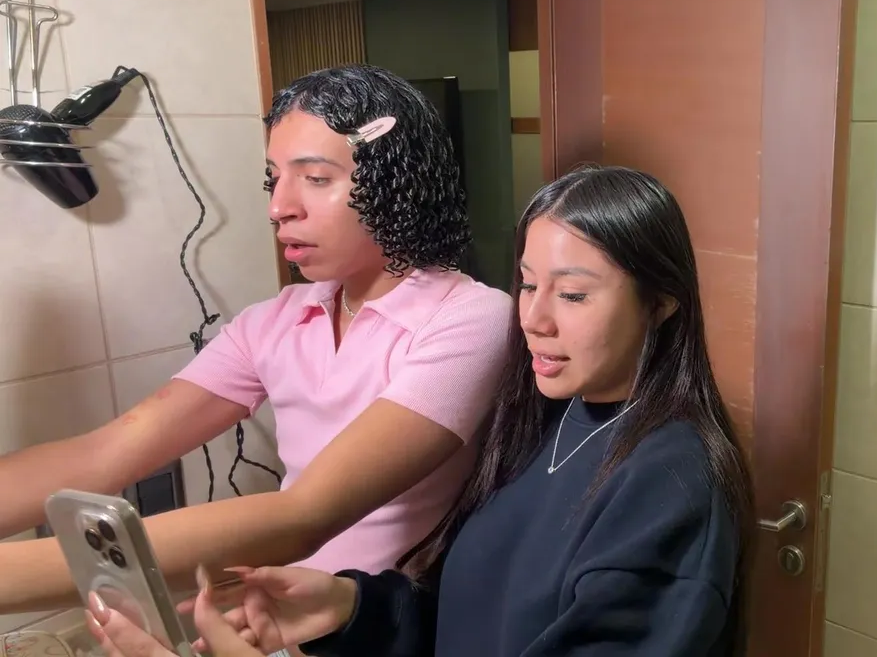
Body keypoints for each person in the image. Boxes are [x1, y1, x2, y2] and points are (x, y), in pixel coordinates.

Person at [88, 166, 754, 657]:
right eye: (527, 285)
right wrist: (349, 608)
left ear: (661, 303)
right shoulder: (540, 423)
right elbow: (470, 618)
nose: (534, 319)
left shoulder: (670, 484)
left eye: (574, 295)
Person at [0, 64, 511, 614]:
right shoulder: (274, 322)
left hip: (395, 624)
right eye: (274, 178)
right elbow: (105, 454)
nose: (278, 207)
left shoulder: (472, 319)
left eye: (316, 178)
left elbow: (305, 516)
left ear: (395, 182)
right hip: (289, 620)